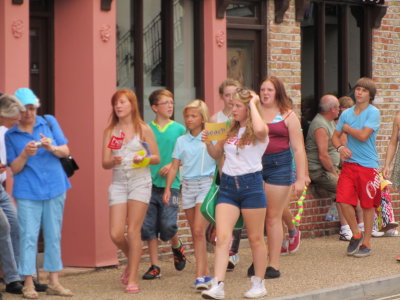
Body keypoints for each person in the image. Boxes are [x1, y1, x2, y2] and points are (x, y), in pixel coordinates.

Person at [201, 89, 268, 299]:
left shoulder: (260, 129)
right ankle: (218, 285)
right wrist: (207, 143)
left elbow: (259, 129)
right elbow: (215, 154)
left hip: (252, 185)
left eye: (239, 106)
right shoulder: (229, 129)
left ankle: (259, 283)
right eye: (233, 105)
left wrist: (255, 102)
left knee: (256, 238)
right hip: (228, 186)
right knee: (222, 238)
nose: (233, 109)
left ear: (249, 108)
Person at [7, 88, 72, 298]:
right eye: (24, 109)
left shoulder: (49, 121)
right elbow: (14, 168)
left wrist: (51, 147)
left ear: (37, 107)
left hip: (55, 186)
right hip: (27, 191)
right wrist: (25, 154)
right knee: (28, 236)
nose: (28, 113)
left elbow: (66, 151)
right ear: (17, 110)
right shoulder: (11, 134)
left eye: (32, 108)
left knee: (54, 235)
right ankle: (28, 282)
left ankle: (54, 281)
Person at [102, 89, 160, 294]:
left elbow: (156, 158)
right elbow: (105, 163)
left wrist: (142, 158)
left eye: (122, 103)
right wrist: (113, 160)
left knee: (133, 230)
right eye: (116, 103)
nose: (118, 106)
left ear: (132, 105)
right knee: (116, 233)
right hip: (118, 182)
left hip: (139, 182)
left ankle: (133, 276)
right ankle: (133, 258)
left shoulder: (143, 129)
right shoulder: (111, 131)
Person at [251, 76, 306, 279]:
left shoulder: (288, 115)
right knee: (256, 216)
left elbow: (298, 149)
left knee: (273, 216)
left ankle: (273, 264)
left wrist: (300, 178)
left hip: (279, 167)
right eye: (262, 89)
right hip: (255, 166)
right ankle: (259, 258)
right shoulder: (253, 113)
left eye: (270, 90)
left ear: (278, 93)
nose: (265, 93)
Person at [163, 100, 215, 291]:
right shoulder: (181, 140)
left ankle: (200, 276)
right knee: (196, 233)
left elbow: (219, 156)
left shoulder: (210, 136)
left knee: (200, 230)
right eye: (187, 116)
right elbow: (175, 165)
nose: (189, 119)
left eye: (193, 116)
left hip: (206, 184)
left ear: (202, 117)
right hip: (188, 186)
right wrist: (168, 188)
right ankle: (206, 272)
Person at [332, 77, 381, 257]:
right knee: (342, 200)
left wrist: (347, 128)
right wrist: (341, 148)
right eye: (358, 89)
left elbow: (363, 136)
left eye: (364, 90)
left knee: (368, 206)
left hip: (368, 166)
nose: (359, 92)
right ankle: (356, 233)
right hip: (349, 165)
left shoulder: (373, 113)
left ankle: (366, 243)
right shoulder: (346, 114)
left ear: (370, 95)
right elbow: (335, 136)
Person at [140, 89, 186, 280]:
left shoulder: (179, 130)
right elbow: (144, 155)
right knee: (148, 227)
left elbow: (185, 156)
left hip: (171, 184)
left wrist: (171, 164)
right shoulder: (145, 129)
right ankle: (155, 266)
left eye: (172, 102)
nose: (170, 106)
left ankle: (176, 246)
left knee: (167, 225)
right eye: (166, 103)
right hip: (147, 185)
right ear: (154, 107)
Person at [305, 95, 354, 241]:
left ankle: (357, 226)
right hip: (319, 171)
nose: (339, 109)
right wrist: (334, 173)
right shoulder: (320, 125)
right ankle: (346, 230)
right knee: (343, 188)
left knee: (349, 186)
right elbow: (323, 156)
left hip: (331, 168)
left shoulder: (329, 122)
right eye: (338, 107)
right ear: (332, 109)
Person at [210, 78, 242, 271]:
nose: (231, 99)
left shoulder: (243, 118)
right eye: (227, 95)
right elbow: (215, 151)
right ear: (222, 96)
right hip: (222, 171)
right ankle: (224, 246)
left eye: (234, 94)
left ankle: (233, 251)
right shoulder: (216, 119)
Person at [0, 94, 24, 295]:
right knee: (3, 225)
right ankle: (12, 278)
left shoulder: (6, 131)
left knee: (15, 223)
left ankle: (17, 278)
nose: (17, 121)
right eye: (13, 117)